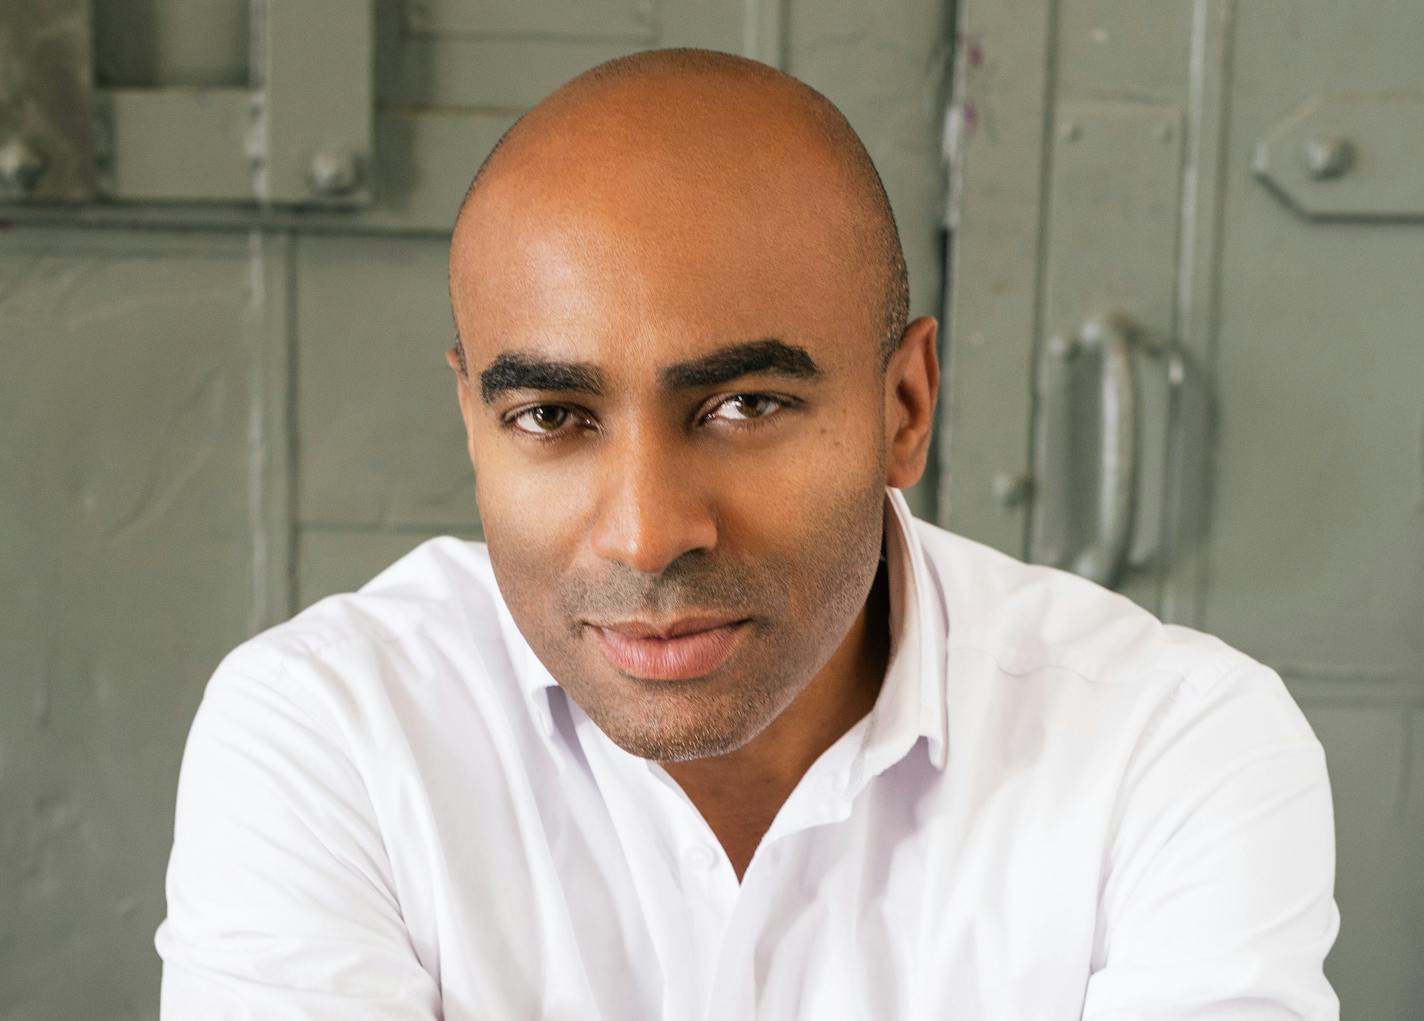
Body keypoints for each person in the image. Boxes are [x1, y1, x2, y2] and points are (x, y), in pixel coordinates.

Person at [154, 48, 1339, 1019]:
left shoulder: (1168, 752)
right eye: (551, 417)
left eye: (744, 407)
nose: (645, 534)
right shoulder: (327, 735)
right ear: (475, 425)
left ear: (903, 406)